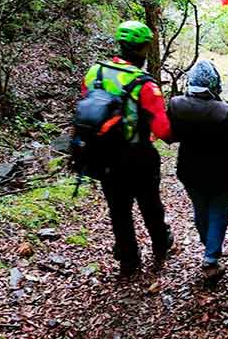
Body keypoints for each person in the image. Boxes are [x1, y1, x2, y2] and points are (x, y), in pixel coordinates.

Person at [80, 21, 174, 276]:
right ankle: (160, 244)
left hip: (102, 154)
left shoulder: (94, 73)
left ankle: (128, 259)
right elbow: (164, 130)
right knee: (150, 204)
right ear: (143, 50)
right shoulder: (144, 84)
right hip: (138, 155)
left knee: (118, 208)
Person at [168, 60, 228, 282]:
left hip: (189, 171)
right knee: (218, 212)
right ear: (215, 83)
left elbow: (170, 136)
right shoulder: (224, 111)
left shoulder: (175, 105)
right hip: (221, 173)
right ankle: (211, 258)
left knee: (200, 209)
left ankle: (209, 247)